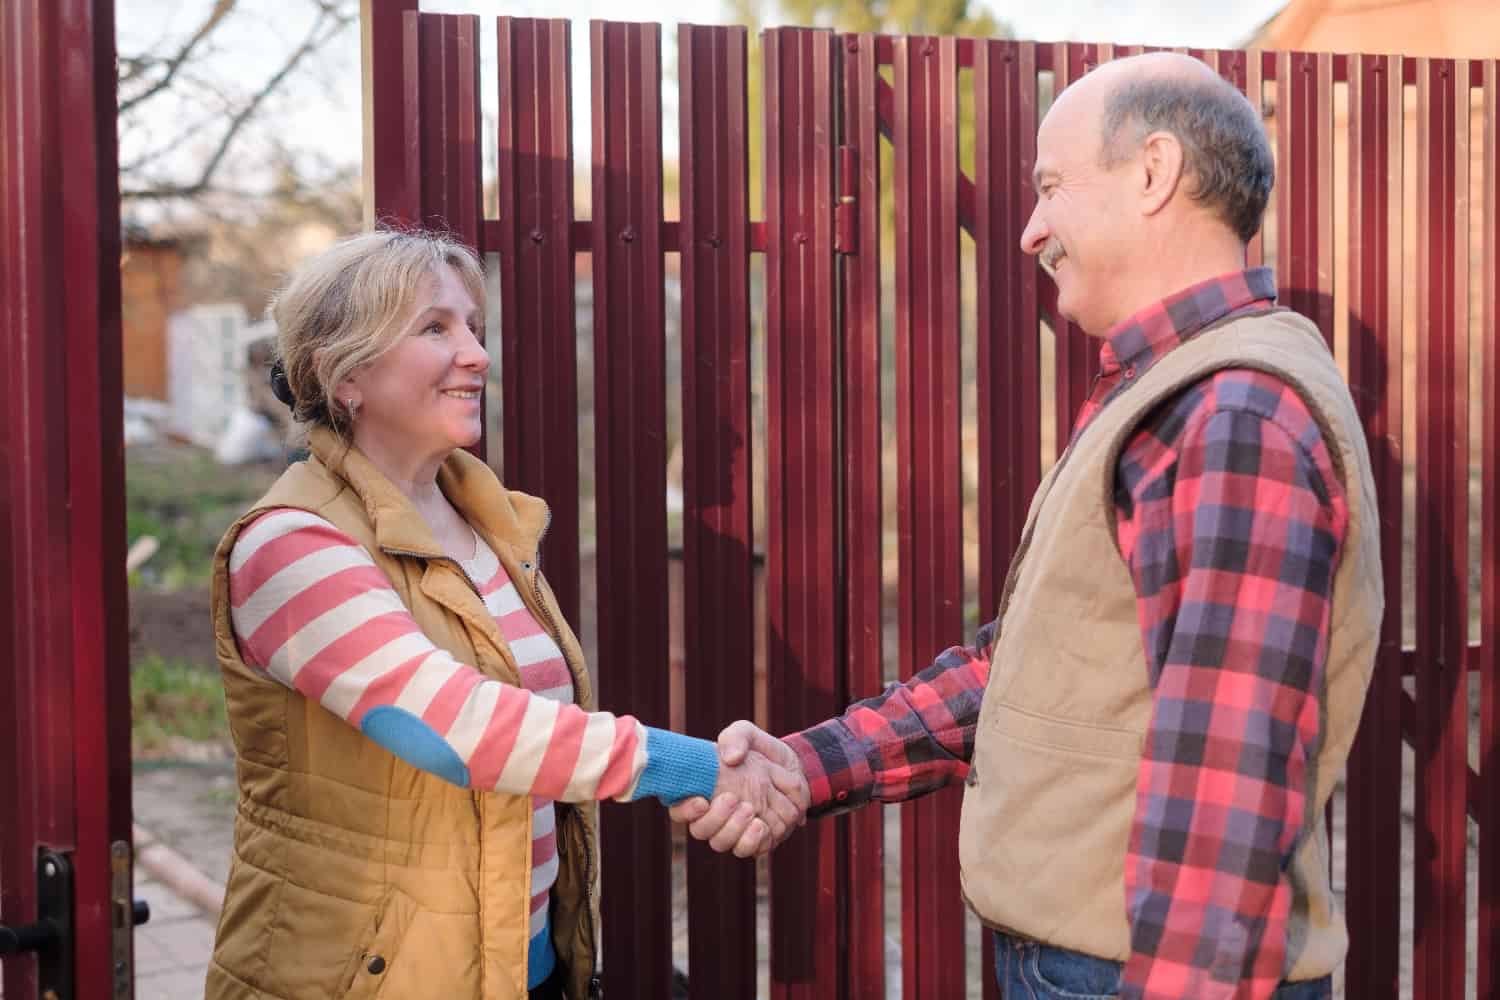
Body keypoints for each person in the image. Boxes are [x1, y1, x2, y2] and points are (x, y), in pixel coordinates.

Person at [677, 52, 1383, 1000]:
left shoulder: (1232, 416)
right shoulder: (1181, 392)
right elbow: (1042, 672)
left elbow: (1226, 792)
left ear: (1153, 174)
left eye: (1051, 187)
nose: (1029, 230)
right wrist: (806, 768)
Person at [205, 229, 803, 1000]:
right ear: (343, 374)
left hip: (519, 966)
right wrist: (693, 768)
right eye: (434, 328)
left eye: (473, 328)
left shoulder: (484, 523)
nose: (477, 355)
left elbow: (533, 747)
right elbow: (452, 730)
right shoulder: (291, 547)